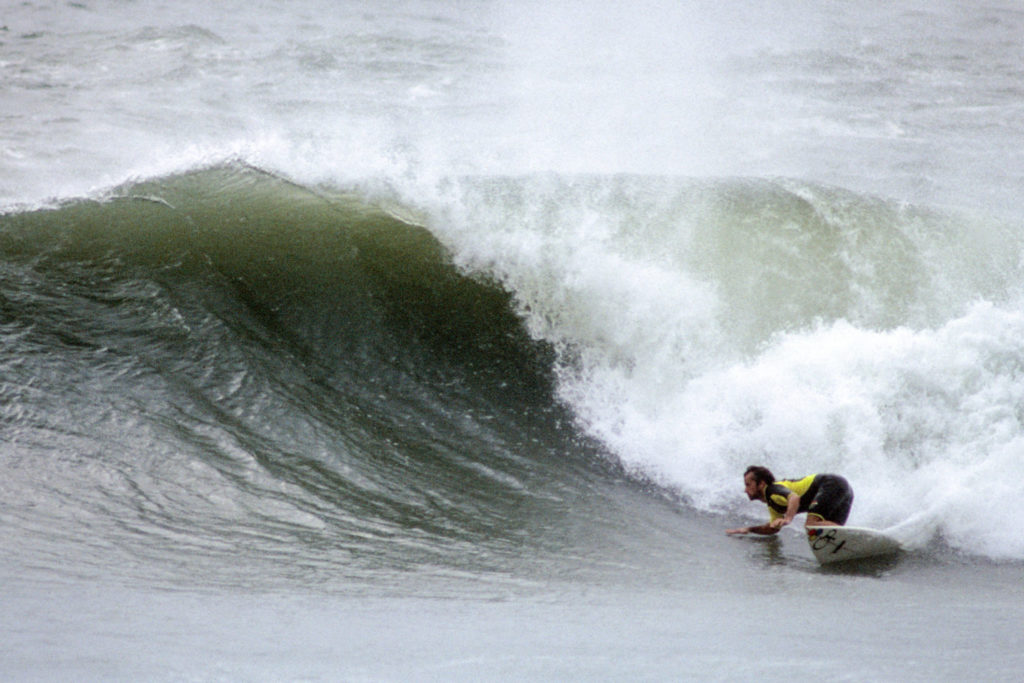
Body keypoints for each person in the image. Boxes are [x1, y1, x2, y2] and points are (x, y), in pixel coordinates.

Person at [725, 465, 853, 535]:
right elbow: (773, 528)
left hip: (831, 484)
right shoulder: (773, 503)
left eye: (748, 485)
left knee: (811, 525)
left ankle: (856, 536)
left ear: (761, 484)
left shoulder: (773, 490)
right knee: (835, 534)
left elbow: (794, 498)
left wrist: (788, 518)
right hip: (843, 489)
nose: (745, 490)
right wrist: (749, 529)